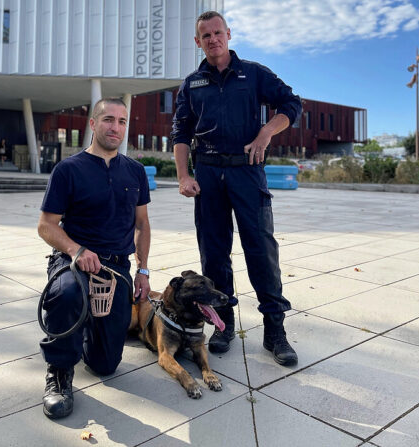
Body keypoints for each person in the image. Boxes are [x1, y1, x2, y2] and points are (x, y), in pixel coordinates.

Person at [171, 11, 302, 366]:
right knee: (214, 255)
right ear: (197, 42)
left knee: (261, 250)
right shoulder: (191, 84)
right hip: (209, 175)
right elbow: (180, 134)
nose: (213, 39)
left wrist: (266, 132)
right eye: (205, 35)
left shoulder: (255, 74)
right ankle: (223, 323)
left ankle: (275, 330)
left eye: (218, 33)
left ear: (228, 34)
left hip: (247, 172)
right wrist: (184, 176)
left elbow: (292, 104)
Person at [36, 98, 151, 419]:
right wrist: (76, 250)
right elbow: (46, 226)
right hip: (73, 260)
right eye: (109, 120)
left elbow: (142, 224)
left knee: (104, 366)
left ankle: (86, 328)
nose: (116, 127)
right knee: (68, 294)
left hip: (117, 267)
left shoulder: (135, 171)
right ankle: (58, 371)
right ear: (93, 124)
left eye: (122, 121)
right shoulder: (68, 170)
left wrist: (143, 270)